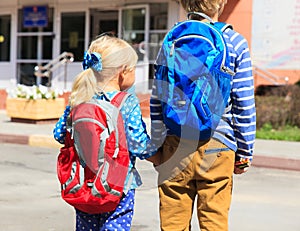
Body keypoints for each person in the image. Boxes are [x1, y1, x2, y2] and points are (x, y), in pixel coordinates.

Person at [150, 0, 256, 230]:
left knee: (173, 220)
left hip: (175, 142)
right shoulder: (235, 42)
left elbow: (159, 96)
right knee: (213, 220)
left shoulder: (171, 40)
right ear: (222, 2)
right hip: (218, 143)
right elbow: (244, 102)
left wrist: (155, 146)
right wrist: (245, 151)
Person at [53, 34, 158, 231]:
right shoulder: (126, 102)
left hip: (85, 183)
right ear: (123, 72)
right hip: (119, 185)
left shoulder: (79, 98)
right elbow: (138, 144)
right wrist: (158, 155)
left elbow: (59, 134)